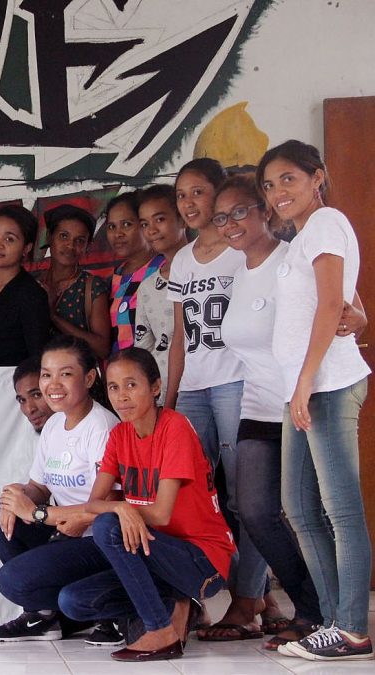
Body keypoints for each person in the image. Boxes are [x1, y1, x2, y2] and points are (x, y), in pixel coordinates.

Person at [217, 173, 357, 650]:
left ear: (264, 210)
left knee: (315, 512)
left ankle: (327, 616)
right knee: (254, 509)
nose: (231, 223)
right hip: (260, 400)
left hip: (304, 398)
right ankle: (312, 605)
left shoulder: (294, 254)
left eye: (240, 211)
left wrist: (359, 321)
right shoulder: (239, 273)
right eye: (222, 217)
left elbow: (346, 307)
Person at [259, 140, 372, 661]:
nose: (277, 191)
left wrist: (305, 378)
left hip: (324, 384)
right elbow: (345, 299)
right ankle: (331, 621)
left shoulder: (326, 223)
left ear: (316, 177)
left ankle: (351, 627)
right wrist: (361, 316)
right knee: (299, 507)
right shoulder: (303, 238)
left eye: (287, 179)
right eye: (269, 184)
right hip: (301, 387)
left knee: (339, 509)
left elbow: (331, 302)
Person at [58, 348, 235, 662]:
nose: (121, 396)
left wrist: (119, 510)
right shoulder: (119, 435)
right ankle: (176, 603)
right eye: (113, 387)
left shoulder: (174, 428)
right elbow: (93, 502)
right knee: (73, 601)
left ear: (155, 387)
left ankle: (161, 629)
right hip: (155, 554)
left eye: (131, 385)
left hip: (201, 558)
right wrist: (118, 507)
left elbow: (160, 513)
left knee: (108, 526)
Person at [165, 158, 274, 639]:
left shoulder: (243, 249)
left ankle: (249, 599)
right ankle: (200, 598)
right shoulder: (182, 259)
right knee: (186, 494)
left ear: (221, 195)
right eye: (181, 195)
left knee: (242, 494)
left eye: (197, 193)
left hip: (237, 383)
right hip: (191, 389)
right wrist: (167, 402)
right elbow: (177, 337)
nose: (189, 203)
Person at [0, 336, 121, 645]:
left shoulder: (101, 426)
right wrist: (15, 499)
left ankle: (103, 607)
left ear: (89, 378)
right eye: (47, 374)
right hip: (64, 531)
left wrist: (35, 511)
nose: (53, 383)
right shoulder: (55, 424)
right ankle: (43, 616)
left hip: (98, 541)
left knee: (13, 580)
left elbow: (108, 503)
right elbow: (39, 486)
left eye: (65, 374)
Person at [0, 205, 51, 367]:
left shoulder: (31, 294)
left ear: (26, 248)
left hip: (9, 387)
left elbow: (38, 355)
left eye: (9, 239)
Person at [133, 185, 188, 401]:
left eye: (160, 219)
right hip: (164, 392)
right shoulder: (147, 287)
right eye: (145, 224)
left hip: (209, 383)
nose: (151, 230)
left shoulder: (206, 271)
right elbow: (144, 348)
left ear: (182, 219)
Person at [38, 204, 111, 360]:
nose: (71, 246)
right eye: (64, 236)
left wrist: (53, 317)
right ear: (50, 237)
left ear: (87, 247)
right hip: (39, 379)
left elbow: (102, 349)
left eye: (80, 241)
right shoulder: (33, 283)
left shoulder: (93, 287)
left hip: (79, 381)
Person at [105, 192, 163, 354]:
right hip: (119, 375)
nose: (118, 234)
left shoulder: (164, 269)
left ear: (144, 224)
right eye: (112, 227)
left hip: (156, 372)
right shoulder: (112, 280)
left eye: (127, 224)